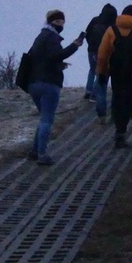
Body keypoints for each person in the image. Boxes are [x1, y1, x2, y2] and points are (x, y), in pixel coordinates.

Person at [27, 10, 84, 165]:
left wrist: (57, 64)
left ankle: (34, 151)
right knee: (47, 119)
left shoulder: (40, 37)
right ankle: (42, 154)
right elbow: (55, 56)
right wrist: (74, 45)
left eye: (62, 22)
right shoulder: (52, 37)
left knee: (43, 117)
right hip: (49, 83)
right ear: (51, 22)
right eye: (58, 22)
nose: (61, 24)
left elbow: (39, 58)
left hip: (34, 83)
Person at [96, 4, 132, 149]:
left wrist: (101, 72)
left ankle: (120, 132)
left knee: (118, 99)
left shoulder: (111, 30)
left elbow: (102, 54)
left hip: (116, 72)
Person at [85, 4, 118, 120]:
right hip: (109, 56)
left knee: (93, 71)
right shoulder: (114, 27)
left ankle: (89, 91)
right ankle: (93, 94)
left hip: (93, 52)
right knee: (104, 79)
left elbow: (87, 34)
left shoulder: (95, 21)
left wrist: (91, 46)